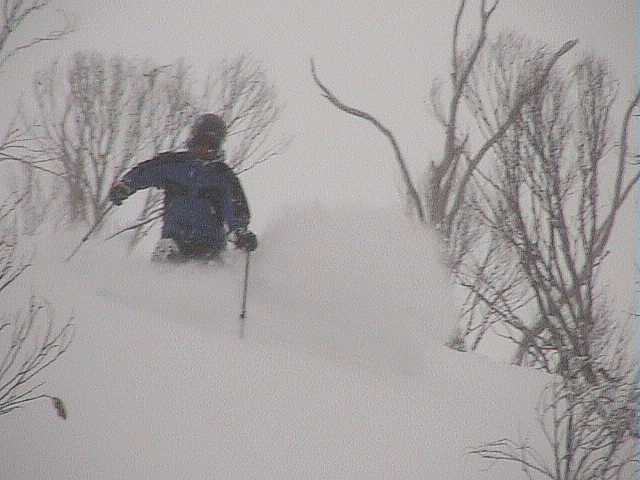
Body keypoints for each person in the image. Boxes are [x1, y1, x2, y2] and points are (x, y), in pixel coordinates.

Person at [108, 113, 257, 263]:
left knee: (208, 270)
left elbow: (235, 208)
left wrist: (240, 232)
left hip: (209, 247)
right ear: (193, 141)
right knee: (165, 252)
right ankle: (155, 282)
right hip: (174, 242)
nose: (205, 149)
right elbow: (146, 172)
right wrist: (125, 185)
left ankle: (209, 283)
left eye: (211, 146)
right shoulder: (174, 164)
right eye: (200, 143)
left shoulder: (223, 177)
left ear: (218, 147)